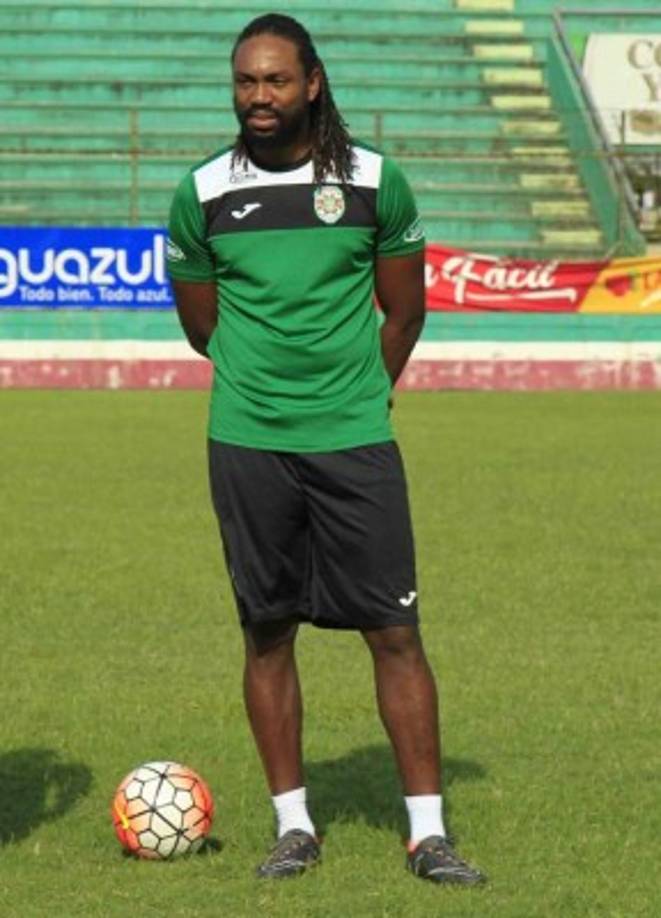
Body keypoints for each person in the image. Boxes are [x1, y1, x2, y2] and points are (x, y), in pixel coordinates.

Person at [166, 12, 485, 886]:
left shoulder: (377, 182)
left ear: (312, 83)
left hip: (355, 442)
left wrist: (356, 395)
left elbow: (405, 312)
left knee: (395, 632)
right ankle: (293, 827)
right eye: (244, 81)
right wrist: (266, 386)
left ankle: (427, 835)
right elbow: (203, 328)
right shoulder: (201, 193)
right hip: (247, 440)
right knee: (266, 631)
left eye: (274, 80)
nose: (257, 97)